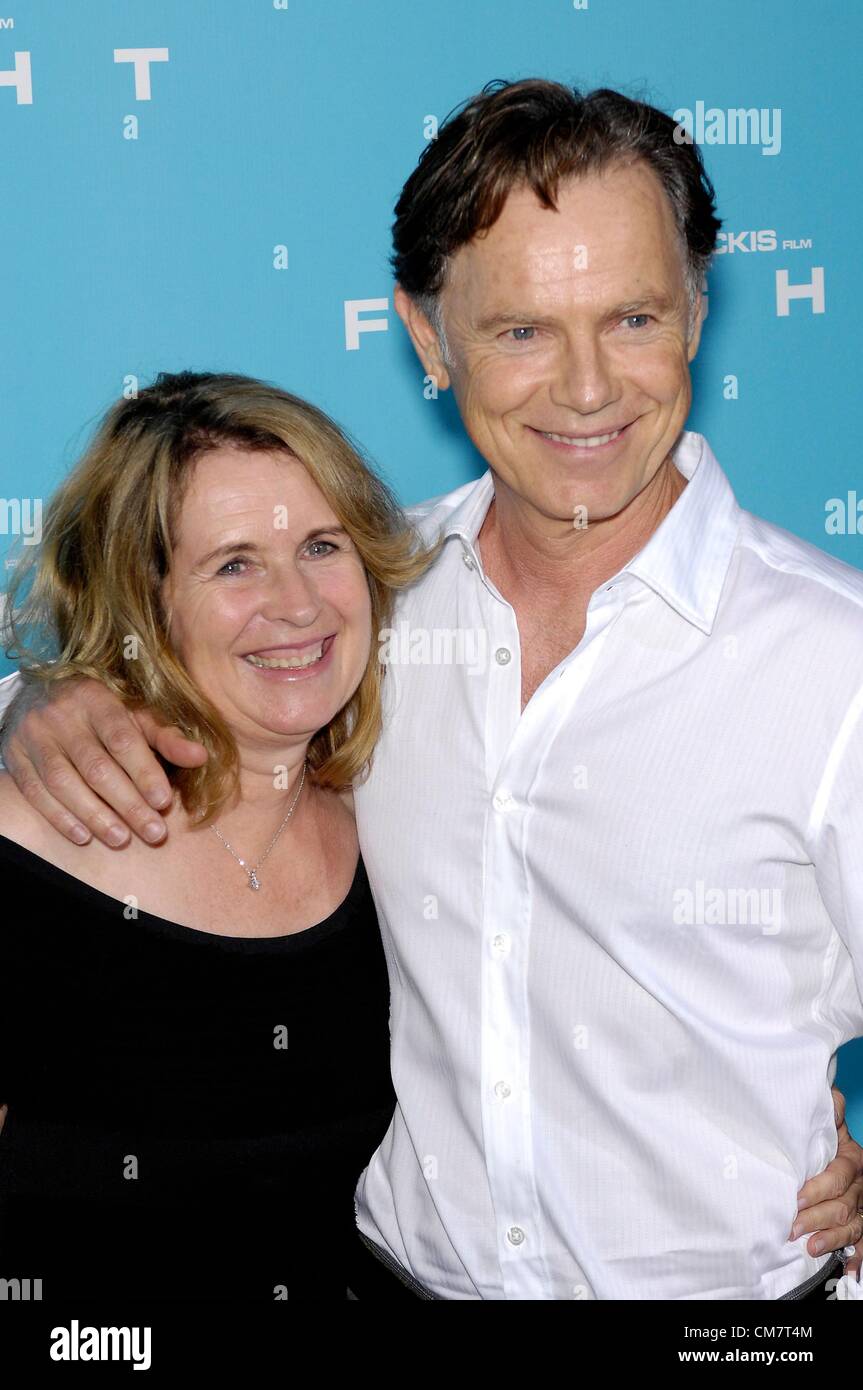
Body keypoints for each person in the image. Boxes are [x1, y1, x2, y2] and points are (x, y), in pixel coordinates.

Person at [3, 80, 863, 1300]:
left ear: (697, 312)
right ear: (424, 337)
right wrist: (49, 703)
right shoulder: (358, 607)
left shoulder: (835, 666)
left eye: (630, 317)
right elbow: (175, 656)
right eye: (519, 330)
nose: (583, 389)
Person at [0, 369, 437, 1300]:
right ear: (147, 599)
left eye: (321, 545)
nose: (298, 606)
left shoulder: (407, 824)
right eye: (234, 563)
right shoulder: (27, 843)